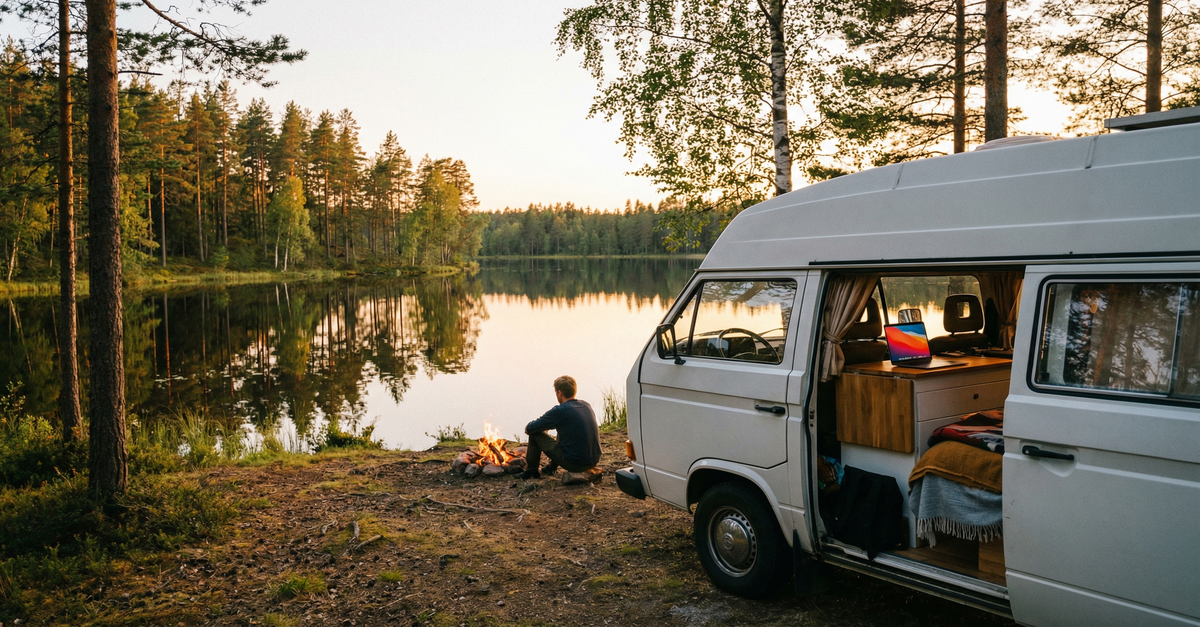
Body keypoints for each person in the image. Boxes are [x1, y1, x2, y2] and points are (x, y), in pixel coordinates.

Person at [519, 375, 601, 480]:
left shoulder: (560, 410)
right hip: (594, 460)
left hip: (575, 464)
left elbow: (529, 428)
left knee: (535, 434)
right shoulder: (586, 405)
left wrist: (543, 427)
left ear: (559, 393)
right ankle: (550, 468)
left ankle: (531, 471)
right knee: (564, 430)